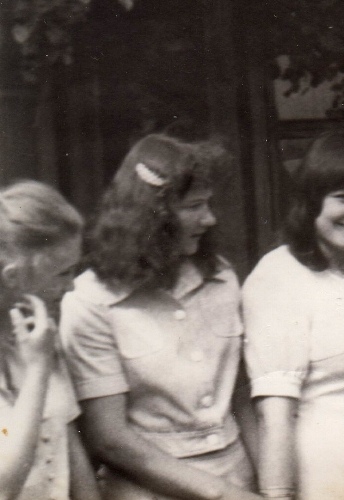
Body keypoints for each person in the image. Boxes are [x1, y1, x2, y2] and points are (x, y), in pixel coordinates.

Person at [60, 134, 260, 500]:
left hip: (239, 479)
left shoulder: (221, 277)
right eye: (194, 206)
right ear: (152, 216)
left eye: (209, 203)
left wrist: (274, 488)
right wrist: (221, 494)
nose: (210, 218)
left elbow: (241, 397)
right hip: (149, 489)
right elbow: (110, 439)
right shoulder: (90, 301)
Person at [242, 131, 344, 500]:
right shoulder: (279, 277)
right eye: (343, 198)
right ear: (312, 199)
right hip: (320, 478)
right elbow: (275, 416)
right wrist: (278, 496)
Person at [0, 181, 99, 500]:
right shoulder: (39, 351)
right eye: (62, 273)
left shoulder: (37, 333)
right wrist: (38, 368)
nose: (72, 287)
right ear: (12, 277)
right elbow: (4, 486)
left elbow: (69, 449)